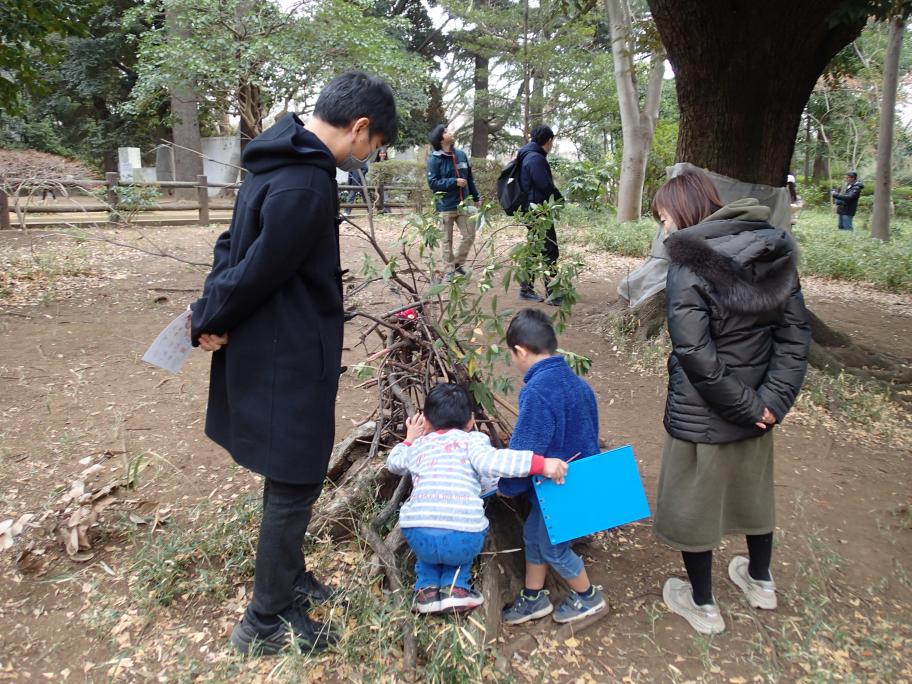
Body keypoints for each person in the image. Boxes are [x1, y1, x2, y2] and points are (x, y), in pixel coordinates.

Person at [188, 71, 397, 655]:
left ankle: (290, 578)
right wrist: (209, 317)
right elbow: (259, 267)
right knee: (296, 477)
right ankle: (264, 621)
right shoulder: (307, 183)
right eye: (374, 146)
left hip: (275, 342)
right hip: (288, 351)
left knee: (291, 474)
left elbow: (231, 247)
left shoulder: (275, 158)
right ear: (359, 129)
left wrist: (211, 307)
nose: (369, 157)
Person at [651, 169, 811, 635]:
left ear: (684, 211)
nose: (664, 229)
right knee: (754, 494)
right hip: (760, 407)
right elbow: (796, 336)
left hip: (704, 410)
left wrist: (747, 405)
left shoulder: (688, 263)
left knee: (693, 503)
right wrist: (769, 404)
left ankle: (702, 605)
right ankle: (760, 581)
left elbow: (694, 353)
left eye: (663, 217)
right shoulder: (772, 249)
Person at [386, 384, 568, 614]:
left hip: (418, 533)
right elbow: (497, 462)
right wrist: (542, 464)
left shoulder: (420, 445)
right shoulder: (473, 442)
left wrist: (410, 438)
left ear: (428, 424)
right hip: (462, 536)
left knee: (429, 554)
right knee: (460, 546)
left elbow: (393, 463)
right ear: (471, 422)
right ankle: (457, 589)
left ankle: (426, 592)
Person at [498, 309, 607, 624]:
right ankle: (533, 597)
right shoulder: (578, 384)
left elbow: (525, 448)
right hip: (577, 480)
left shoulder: (537, 392)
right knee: (533, 535)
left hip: (561, 489)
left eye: (512, 356)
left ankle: (588, 598)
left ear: (520, 350)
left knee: (554, 549)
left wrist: (508, 486)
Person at [516, 125, 564, 304]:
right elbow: (544, 185)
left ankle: (526, 288)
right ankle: (552, 293)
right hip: (538, 211)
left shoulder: (527, 155)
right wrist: (559, 198)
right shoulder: (535, 158)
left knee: (534, 249)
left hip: (531, 209)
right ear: (549, 140)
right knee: (550, 250)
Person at [426, 124, 480, 278]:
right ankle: (449, 269)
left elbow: (469, 179)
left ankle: (458, 264)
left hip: (464, 204)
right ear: (440, 138)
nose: (450, 132)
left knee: (470, 235)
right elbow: (433, 183)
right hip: (445, 205)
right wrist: (453, 182)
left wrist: (476, 197)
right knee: (446, 240)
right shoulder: (434, 159)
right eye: (446, 131)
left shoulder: (462, 155)